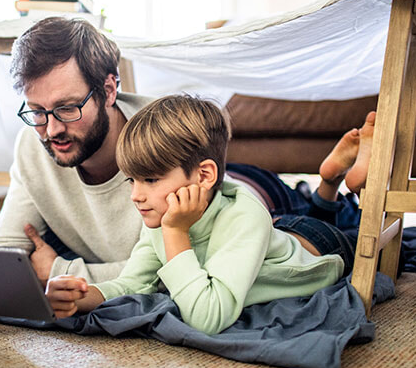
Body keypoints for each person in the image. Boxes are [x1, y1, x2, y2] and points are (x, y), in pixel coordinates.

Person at [44, 95, 374, 335]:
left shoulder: (235, 217)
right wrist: (83, 296)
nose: (136, 195)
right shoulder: (162, 218)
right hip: (273, 232)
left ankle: (338, 184)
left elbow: (207, 317)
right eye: (132, 180)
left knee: (364, 239)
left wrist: (175, 233)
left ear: (203, 176)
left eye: (151, 179)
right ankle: (329, 180)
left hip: (319, 246)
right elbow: (134, 283)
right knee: (286, 226)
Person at [0, 17, 152, 330]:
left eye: (67, 108)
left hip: (226, 191)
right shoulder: (33, 145)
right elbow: (5, 249)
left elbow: (172, 269)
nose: (51, 130)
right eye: (36, 111)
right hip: (89, 250)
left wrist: (58, 270)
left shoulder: (162, 141)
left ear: (109, 90)